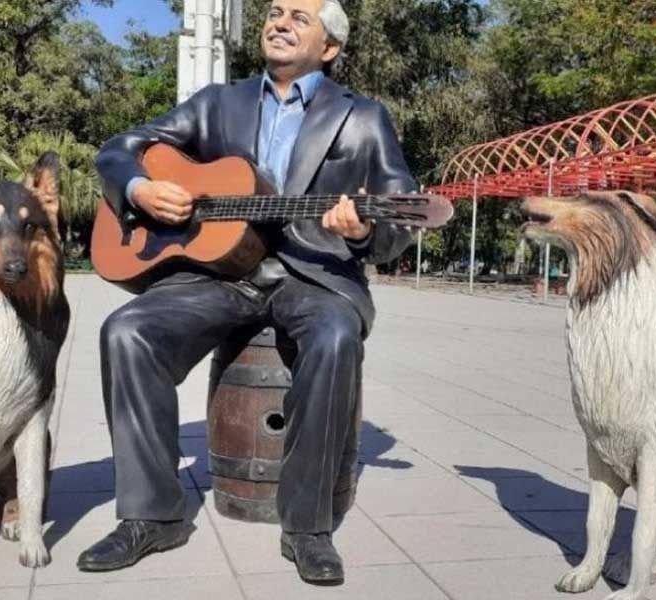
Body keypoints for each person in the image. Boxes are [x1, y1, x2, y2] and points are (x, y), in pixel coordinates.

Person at [77, 0, 416, 586]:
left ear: (329, 49)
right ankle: (153, 514)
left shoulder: (362, 118)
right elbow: (118, 149)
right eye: (275, 11)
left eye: (298, 18)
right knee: (127, 331)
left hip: (315, 276)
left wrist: (365, 227)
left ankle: (307, 525)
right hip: (221, 274)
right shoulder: (217, 104)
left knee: (336, 337)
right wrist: (138, 189)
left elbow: (401, 219)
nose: (279, 22)